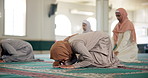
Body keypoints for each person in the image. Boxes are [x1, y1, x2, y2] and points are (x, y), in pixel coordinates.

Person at [50, 31, 122, 68]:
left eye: (61, 58)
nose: (62, 61)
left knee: (101, 62)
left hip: (102, 40)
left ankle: (108, 56)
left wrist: (73, 66)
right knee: (81, 58)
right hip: (94, 42)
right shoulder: (66, 45)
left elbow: (89, 60)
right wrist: (58, 62)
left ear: (64, 52)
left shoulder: (76, 45)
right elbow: (72, 58)